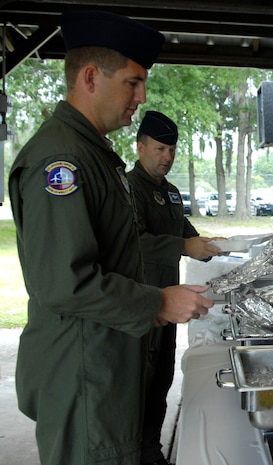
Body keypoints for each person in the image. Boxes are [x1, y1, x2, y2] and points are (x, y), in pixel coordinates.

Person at [8, 11, 213, 465]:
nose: (141, 97)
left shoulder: (92, 153)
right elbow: (65, 283)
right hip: (83, 374)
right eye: (132, 83)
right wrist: (156, 302)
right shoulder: (61, 159)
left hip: (105, 361)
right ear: (90, 77)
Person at [127, 111, 222, 465]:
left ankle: (151, 451)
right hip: (141, 302)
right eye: (159, 148)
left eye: (172, 149)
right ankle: (133, 452)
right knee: (138, 383)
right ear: (140, 147)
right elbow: (131, 241)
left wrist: (212, 245)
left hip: (170, 302)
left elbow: (186, 232)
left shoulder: (171, 192)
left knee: (162, 379)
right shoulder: (129, 188)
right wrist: (184, 247)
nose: (167, 156)